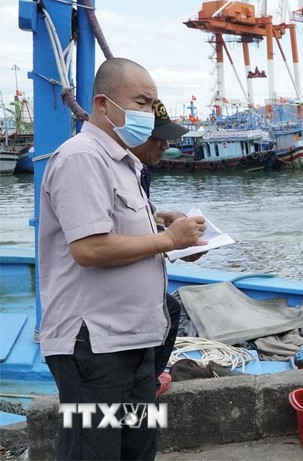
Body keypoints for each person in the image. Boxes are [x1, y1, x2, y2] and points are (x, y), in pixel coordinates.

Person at [38, 58, 206, 460]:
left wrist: (164, 229)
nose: (150, 114)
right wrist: (167, 239)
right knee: (94, 452)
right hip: (94, 344)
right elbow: (90, 248)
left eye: (152, 104)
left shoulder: (124, 164)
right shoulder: (82, 157)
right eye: (143, 102)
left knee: (136, 450)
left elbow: (116, 234)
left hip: (133, 341)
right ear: (103, 103)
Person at [129, 100, 194, 397]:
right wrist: (170, 240)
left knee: (168, 308)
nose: (165, 145)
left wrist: (160, 219)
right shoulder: (87, 163)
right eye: (158, 138)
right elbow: (90, 246)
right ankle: (150, 383)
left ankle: (149, 383)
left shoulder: (137, 170)